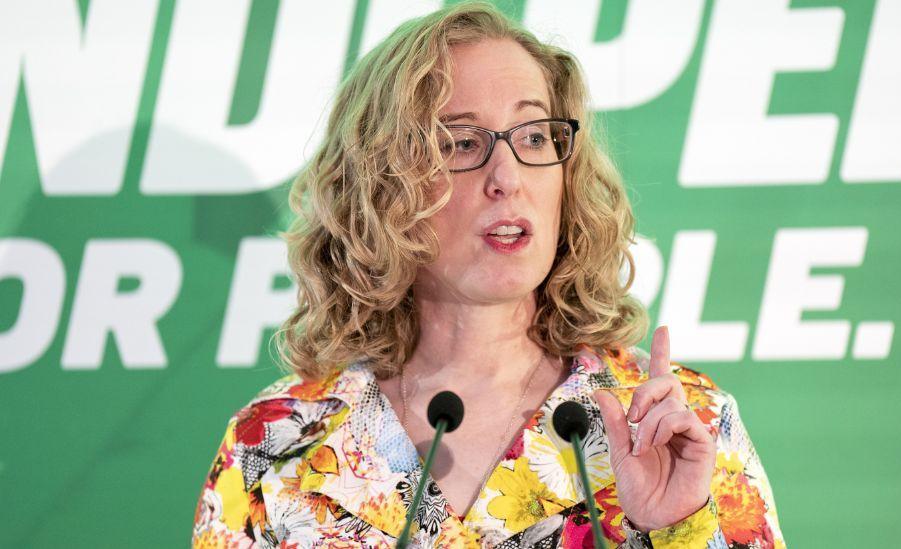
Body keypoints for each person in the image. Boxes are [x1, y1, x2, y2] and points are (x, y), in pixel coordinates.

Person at [191, 3, 784, 547]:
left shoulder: (681, 425)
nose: (507, 176)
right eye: (460, 142)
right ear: (379, 186)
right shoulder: (277, 445)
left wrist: (678, 528)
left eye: (533, 137)